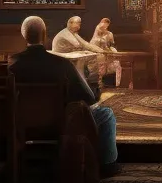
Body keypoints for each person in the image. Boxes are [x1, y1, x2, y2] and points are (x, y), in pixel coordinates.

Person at [8, 15, 118, 170]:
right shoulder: (61, 65)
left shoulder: (10, 65)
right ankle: (107, 166)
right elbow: (88, 98)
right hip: (60, 125)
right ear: (45, 35)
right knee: (106, 114)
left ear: (23, 35)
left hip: (20, 125)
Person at [90, 17, 122, 87]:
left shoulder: (109, 34)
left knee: (116, 63)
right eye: (103, 25)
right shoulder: (97, 36)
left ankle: (116, 82)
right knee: (100, 63)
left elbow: (111, 44)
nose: (105, 27)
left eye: (107, 25)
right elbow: (93, 45)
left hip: (108, 50)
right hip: (99, 52)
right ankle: (99, 82)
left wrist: (109, 50)